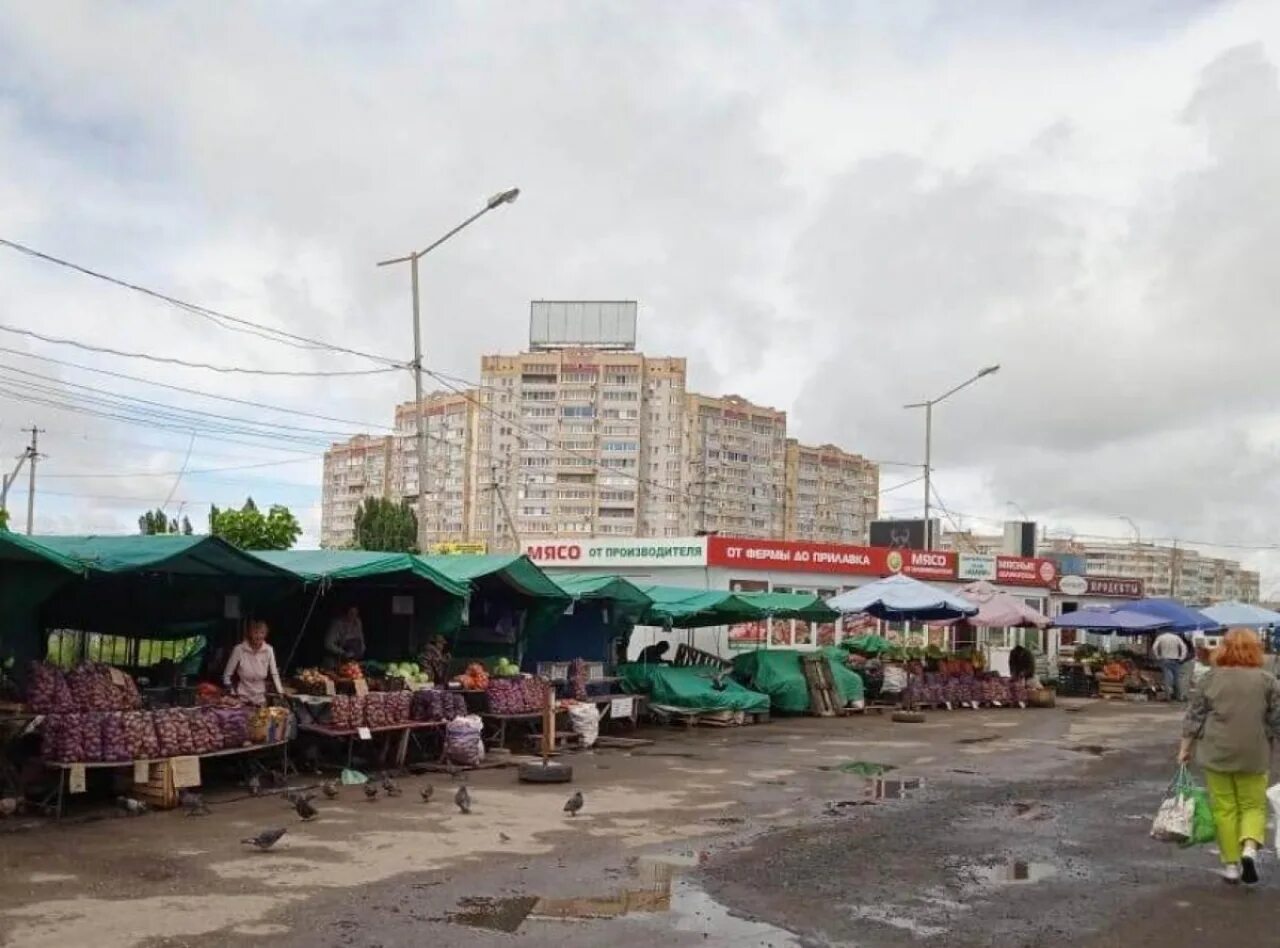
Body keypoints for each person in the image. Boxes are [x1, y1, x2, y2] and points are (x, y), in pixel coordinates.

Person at [1179, 628, 1280, 885]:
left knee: (1224, 808)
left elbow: (1195, 716)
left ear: (1223, 649)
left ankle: (1231, 865)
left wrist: (1185, 748)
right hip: (1254, 752)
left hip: (1216, 751)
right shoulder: (1268, 681)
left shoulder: (1210, 679)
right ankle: (1249, 846)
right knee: (1253, 805)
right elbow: (1277, 720)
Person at [222, 620, 284, 706]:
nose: (259, 636)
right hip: (242, 698)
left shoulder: (269, 650)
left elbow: (274, 673)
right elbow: (226, 675)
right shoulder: (239, 649)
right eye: (256, 633)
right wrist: (232, 692)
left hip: (260, 698)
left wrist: (280, 691)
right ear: (250, 634)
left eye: (262, 633)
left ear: (265, 635)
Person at [1153, 629, 1189, 701]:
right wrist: (1181, 657)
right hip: (1176, 660)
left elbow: (1154, 647)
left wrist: (1158, 656)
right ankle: (1179, 697)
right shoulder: (1176, 637)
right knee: (1177, 679)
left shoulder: (1160, 637)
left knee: (1167, 679)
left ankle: (1168, 697)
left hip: (1165, 660)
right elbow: (1184, 647)